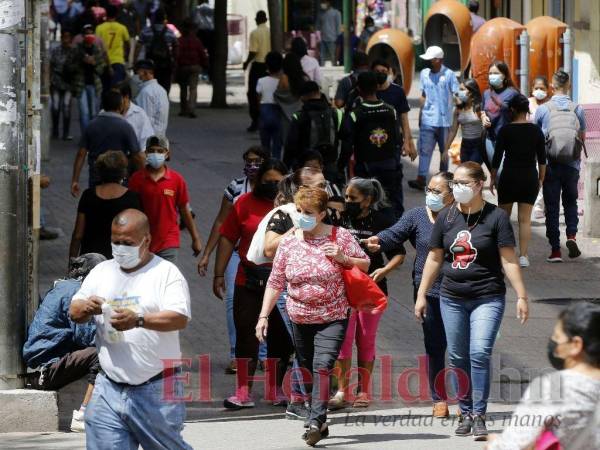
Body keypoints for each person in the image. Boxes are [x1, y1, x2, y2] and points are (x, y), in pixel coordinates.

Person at [415, 162, 529, 440]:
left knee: (478, 352)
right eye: (455, 183)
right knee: (456, 355)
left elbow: (508, 258)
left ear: (480, 184)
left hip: (487, 296)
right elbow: (434, 257)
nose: (458, 188)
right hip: (451, 297)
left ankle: (479, 414)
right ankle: (464, 412)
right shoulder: (446, 217)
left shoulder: (496, 217)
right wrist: (421, 294)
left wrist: (522, 296)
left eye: (464, 183)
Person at [69, 209, 193, 449]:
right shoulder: (102, 272)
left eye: (127, 243)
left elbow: (179, 318)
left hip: (156, 389)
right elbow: (74, 312)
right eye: (115, 242)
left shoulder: (166, 274)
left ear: (146, 240)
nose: (120, 248)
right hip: (108, 387)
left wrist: (138, 320)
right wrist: (87, 307)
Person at [256, 187, 370, 446]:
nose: (302, 217)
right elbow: (275, 281)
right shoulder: (289, 241)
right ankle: (317, 414)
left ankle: (315, 421)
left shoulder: (338, 235)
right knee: (306, 368)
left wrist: (343, 258)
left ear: (321, 214)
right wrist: (263, 316)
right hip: (299, 316)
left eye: (308, 213)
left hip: (333, 314)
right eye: (299, 211)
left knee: (322, 365)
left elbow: (365, 263)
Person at [363, 172, 455, 418]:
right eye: (429, 189)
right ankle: (440, 398)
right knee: (435, 344)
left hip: (460, 288)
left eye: (437, 191)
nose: (431, 195)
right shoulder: (416, 215)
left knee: (460, 345)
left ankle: (467, 397)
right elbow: (395, 232)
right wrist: (378, 240)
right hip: (428, 289)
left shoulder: (462, 216)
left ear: (452, 195)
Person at [214, 159, 292, 409]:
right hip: (247, 278)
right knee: (246, 335)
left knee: (281, 338)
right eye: (267, 180)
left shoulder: (291, 209)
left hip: (281, 281)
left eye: (277, 181)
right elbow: (227, 238)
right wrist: (218, 274)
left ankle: (275, 389)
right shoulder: (244, 204)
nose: (271, 185)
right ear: (257, 181)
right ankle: (242, 392)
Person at [329, 178, 404, 410]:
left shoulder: (383, 219)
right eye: (346, 196)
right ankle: (342, 390)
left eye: (353, 198)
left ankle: (363, 390)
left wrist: (384, 270)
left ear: (368, 200)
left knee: (366, 339)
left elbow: (398, 254)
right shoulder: (339, 219)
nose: (347, 201)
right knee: (343, 340)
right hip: (342, 288)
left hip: (371, 288)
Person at [485, 302, 600, 450]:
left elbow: (515, 444)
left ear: (576, 345)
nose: (554, 345)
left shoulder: (552, 388)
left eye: (557, 338)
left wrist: (494, 443)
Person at [197, 147, 269, 374]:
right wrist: (208, 253)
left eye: (257, 162)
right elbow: (222, 223)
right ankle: (235, 353)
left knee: (268, 304)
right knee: (233, 303)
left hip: (267, 255)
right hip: (238, 253)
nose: (252, 166)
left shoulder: (276, 189)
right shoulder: (235, 188)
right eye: (249, 161)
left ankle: (265, 354)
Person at [23, 253, 106, 433]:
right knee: (103, 352)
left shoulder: (66, 286)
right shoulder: (77, 293)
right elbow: (86, 336)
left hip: (41, 367)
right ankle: (84, 415)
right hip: (45, 371)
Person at [339, 71, 408, 218]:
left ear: (359, 89)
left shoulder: (355, 114)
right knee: (389, 205)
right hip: (389, 167)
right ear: (377, 86)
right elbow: (397, 139)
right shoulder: (391, 111)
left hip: (365, 169)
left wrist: (340, 166)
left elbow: (346, 143)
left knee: (366, 206)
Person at [534, 70, 586, 263]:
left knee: (552, 207)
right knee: (571, 203)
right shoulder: (577, 108)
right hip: (571, 165)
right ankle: (571, 236)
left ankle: (555, 250)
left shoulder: (543, 109)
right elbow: (582, 138)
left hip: (550, 165)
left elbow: (536, 139)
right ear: (569, 86)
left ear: (552, 87)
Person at [491, 94, 546, 268]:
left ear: (512, 110)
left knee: (503, 218)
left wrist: (492, 178)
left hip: (509, 177)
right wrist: (540, 179)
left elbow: (497, 157)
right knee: (525, 220)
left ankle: (503, 255)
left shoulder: (505, 130)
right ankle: (523, 256)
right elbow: (542, 159)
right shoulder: (536, 130)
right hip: (529, 177)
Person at [128, 136, 202, 263]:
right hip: (142, 240)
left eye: (160, 151)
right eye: (151, 151)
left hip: (168, 241)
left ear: (167, 154)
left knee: (166, 279)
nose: (155, 154)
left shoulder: (177, 180)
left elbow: (184, 209)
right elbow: (130, 210)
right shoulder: (136, 179)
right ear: (146, 153)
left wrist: (195, 238)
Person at [70, 151, 142, 260]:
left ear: (100, 172)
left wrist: (72, 261)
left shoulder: (88, 195)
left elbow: (78, 235)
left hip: (91, 261)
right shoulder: (131, 198)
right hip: (119, 261)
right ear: (123, 173)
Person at [71, 90, 143, 196]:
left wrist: (75, 180)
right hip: (119, 179)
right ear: (120, 106)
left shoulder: (91, 125)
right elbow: (137, 156)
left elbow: (81, 154)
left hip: (96, 177)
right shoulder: (126, 127)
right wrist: (144, 178)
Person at [409, 45, 459, 191]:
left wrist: (458, 116)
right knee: (425, 150)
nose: (430, 61)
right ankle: (421, 178)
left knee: (444, 152)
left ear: (439, 60)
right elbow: (423, 96)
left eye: (432, 59)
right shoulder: (424, 74)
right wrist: (420, 115)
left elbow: (457, 94)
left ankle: (444, 180)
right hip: (428, 119)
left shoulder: (449, 75)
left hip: (445, 121)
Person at [284, 80, 343, 181]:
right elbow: (347, 141)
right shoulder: (336, 113)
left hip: (306, 169)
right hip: (331, 166)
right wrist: (340, 166)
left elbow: (290, 146)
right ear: (319, 92)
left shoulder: (299, 116)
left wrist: (285, 169)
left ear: (303, 97)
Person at [372, 59, 417, 160]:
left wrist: (408, 142)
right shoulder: (369, 91)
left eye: (383, 72)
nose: (380, 74)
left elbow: (404, 119)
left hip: (393, 142)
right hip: (373, 141)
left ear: (389, 72)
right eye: (377, 72)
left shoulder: (397, 91)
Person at [481, 60, 520, 168]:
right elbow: (483, 110)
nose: (492, 76)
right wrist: (484, 117)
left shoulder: (513, 93)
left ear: (504, 75)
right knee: (495, 173)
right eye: (490, 73)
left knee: (503, 173)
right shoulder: (486, 93)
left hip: (508, 141)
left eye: (496, 73)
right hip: (490, 140)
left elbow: (520, 116)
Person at [70, 26, 106, 132]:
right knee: (84, 112)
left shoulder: (97, 50)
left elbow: (101, 69)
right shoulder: (77, 50)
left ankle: (93, 134)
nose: (89, 36)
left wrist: (94, 64)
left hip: (94, 85)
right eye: (86, 34)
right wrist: (81, 62)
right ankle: (85, 137)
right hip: (81, 85)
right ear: (82, 36)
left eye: (91, 34)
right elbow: (70, 67)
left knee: (94, 112)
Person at [444, 78, 484, 164]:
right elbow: (453, 131)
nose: (459, 92)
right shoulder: (458, 110)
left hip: (478, 145)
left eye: (462, 89)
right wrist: (446, 149)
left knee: (471, 170)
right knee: (465, 171)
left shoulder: (479, 108)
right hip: (465, 145)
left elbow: (487, 128)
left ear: (471, 92)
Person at [138, 8, 178, 93]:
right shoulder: (170, 32)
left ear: (154, 18)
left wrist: (136, 62)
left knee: (150, 88)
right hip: (165, 65)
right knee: (165, 88)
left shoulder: (146, 31)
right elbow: (176, 47)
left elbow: (138, 47)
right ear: (164, 19)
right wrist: (175, 61)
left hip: (150, 65)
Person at [243, 10, 271, 132]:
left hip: (258, 65)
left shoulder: (255, 33)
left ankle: (256, 120)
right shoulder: (271, 31)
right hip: (270, 65)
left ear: (256, 20)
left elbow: (253, 51)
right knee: (267, 93)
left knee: (253, 94)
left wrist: (246, 62)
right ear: (266, 20)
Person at [528, 76, 551, 219]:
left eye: (542, 88)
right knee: (533, 175)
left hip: (546, 145)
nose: (539, 91)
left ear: (548, 90)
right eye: (536, 88)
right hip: (530, 145)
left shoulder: (550, 104)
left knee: (544, 174)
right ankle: (534, 202)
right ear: (532, 89)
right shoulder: (528, 103)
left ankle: (539, 204)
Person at [176, 18, 208, 118]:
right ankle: (191, 109)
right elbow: (202, 54)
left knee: (183, 88)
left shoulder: (179, 41)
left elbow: (176, 54)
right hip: (195, 66)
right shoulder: (197, 41)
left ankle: (183, 109)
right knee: (193, 88)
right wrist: (205, 64)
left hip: (183, 67)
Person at [257, 51, 284, 159]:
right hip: (278, 111)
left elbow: (258, 98)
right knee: (277, 144)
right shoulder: (282, 81)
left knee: (265, 144)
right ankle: (276, 165)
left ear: (267, 65)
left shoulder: (261, 81)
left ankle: (266, 165)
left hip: (265, 110)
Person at [95, 4, 130, 87]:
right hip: (118, 60)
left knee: (105, 88)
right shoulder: (122, 28)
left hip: (103, 62)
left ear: (106, 14)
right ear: (116, 14)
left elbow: (96, 45)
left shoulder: (99, 28)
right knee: (117, 88)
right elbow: (127, 44)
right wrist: (126, 56)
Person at [50, 29, 75, 141]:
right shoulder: (56, 51)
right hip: (56, 81)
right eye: (64, 37)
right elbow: (50, 65)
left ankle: (65, 133)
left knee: (66, 107)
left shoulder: (73, 52)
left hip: (68, 84)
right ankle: (55, 131)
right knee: (55, 107)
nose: (66, 40)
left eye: (68, 37)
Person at [134, 59, 170, 137]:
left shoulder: (146, 92)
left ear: (145, 72)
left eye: (139, 71)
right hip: (160, 134)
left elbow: (146, 119)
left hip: (150, 137)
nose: (138, 74)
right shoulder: (161, 89)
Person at [118, 82, 155, 151]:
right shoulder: (106, 113)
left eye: (116, 97)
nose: (113, 100)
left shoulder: (140, 114)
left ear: (126, 97)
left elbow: (146, 142)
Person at [193, 0, 215, 81]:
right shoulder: (212, 9)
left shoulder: (197, 9)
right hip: (211, 32)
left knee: (200, 52)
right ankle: (210, 73)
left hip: (201, 32)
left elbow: (195, 21)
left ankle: (202, 72)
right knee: (211, 54)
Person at [316, 1, 341, 66]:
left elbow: (338, 26)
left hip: (333, 38)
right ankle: (321, 69)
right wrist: (317, 37)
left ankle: (334, 66)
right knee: (322, 56)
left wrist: (338, 38)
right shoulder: (320, 14)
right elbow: (318, 27)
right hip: (323, 38)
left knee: (333, 55)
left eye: (324, 2)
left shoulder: (336, 13)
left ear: (329, 2)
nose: (323, 4)